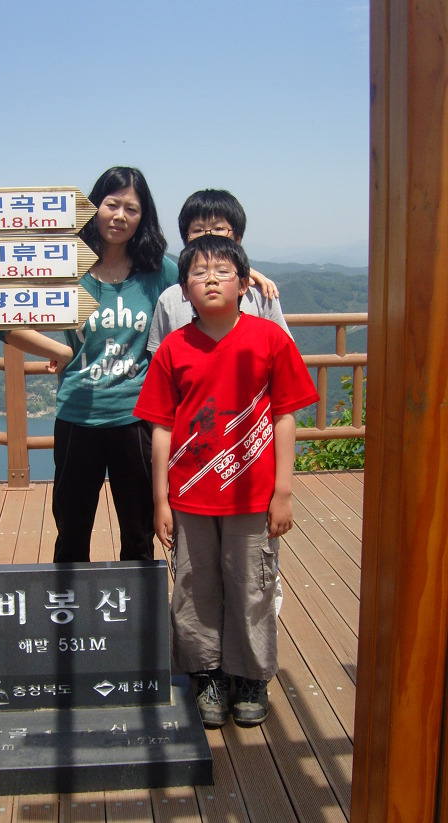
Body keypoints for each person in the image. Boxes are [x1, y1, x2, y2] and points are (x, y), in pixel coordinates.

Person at [134, 235, 318, 728]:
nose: (211, 279)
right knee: (194, 587)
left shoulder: (269, 339)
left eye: (222, 271)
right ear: (184, 290)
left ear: (243, 284)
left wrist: (283, 491)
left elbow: (284, 416)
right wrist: (160, 499)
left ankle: (251, 676)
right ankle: (207, 675)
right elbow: (161, 428)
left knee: (252, 585)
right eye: (198, 272)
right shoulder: (173, 348)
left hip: (254, 496)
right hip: (189, 496)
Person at [0, 166, 178, 562]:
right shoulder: (66, 268)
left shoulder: (157, 271)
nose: (120, 216)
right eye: (112, 205)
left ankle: (133, 605)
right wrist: (60, 352)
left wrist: (246, 271)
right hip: (78, 416)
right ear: (94, 208)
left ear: (143, 216)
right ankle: (70, 603)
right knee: (72, 535)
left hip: (136, 420)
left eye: (132, 208)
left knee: (139, 535)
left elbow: (203, 277)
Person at [147, 189, 290, 353]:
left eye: (219, 228)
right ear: (185, 240)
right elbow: (159, 357)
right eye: (198, 230)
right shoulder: (169, 300)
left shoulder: (260, 294)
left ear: (238, 239)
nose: (209, 236)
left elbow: (282, 352)